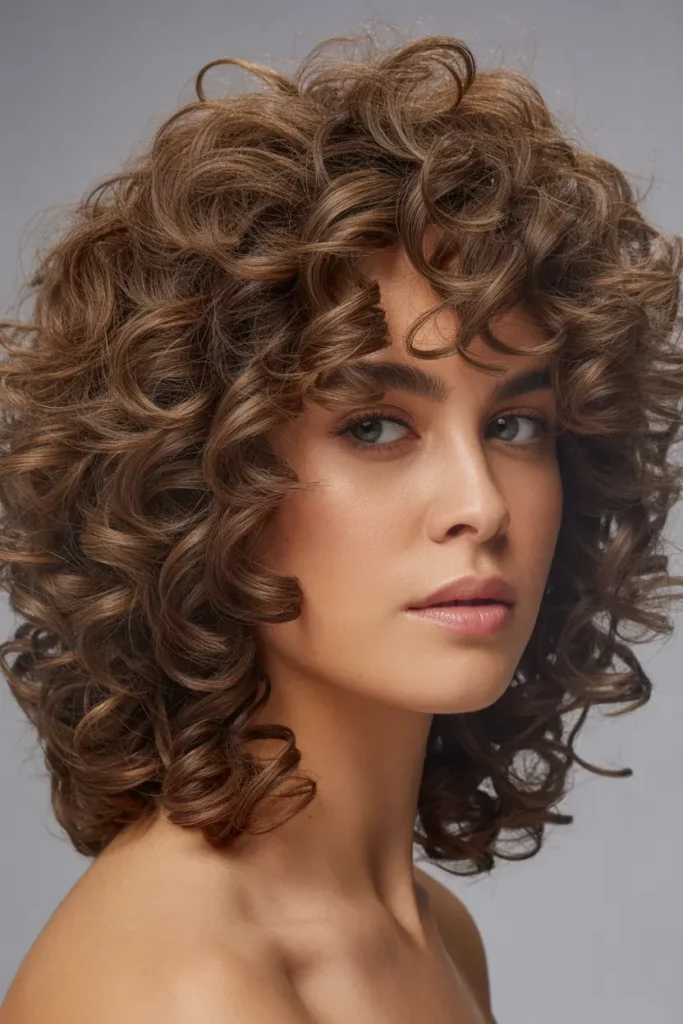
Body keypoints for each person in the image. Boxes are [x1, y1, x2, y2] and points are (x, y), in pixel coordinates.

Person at [1, 27, 682, 1024]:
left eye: (514, 423)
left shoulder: (432, 932)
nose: (479, 504)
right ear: (204, 480)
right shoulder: (174, 988)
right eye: (372, 424)